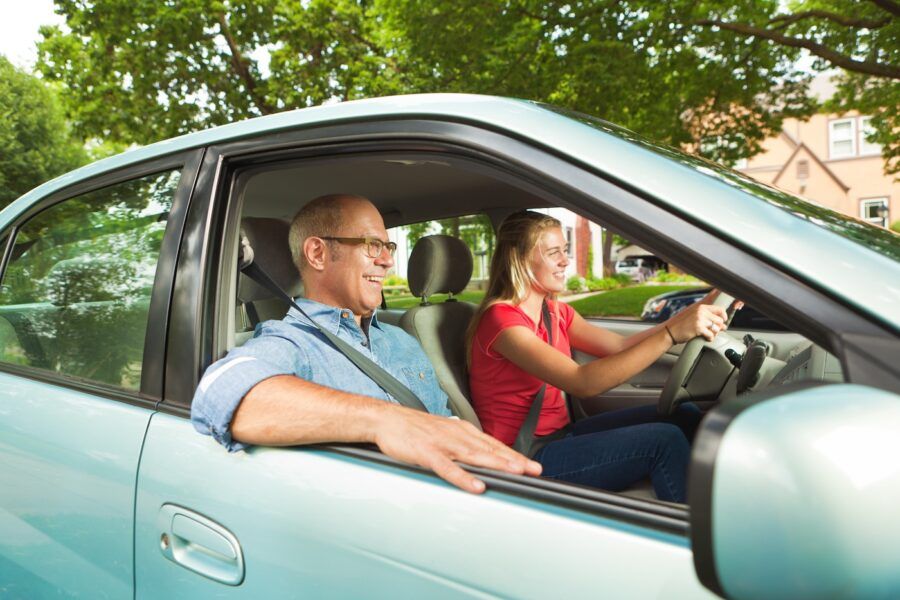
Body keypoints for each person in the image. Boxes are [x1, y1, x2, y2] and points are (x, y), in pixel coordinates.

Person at [192, 194, 541, 494]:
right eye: (372, 245)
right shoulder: (292, 342)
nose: (388, 260)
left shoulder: (402, 339)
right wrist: (384, 420)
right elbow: (220, 390)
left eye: (387, 247)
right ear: (317, 253)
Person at [467, 211, 728, 502]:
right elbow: (582, 382)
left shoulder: (554, 311)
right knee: (663, 442)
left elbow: (619, 345)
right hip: (523, 454)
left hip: (561, 435)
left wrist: (699, 308)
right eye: (554, 253)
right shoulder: (502, 322)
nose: (565, 261)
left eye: (564, 250)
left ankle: (719, 500)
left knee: (683, 415)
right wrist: (670, 335)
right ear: (521, 258)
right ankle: (696, 535)